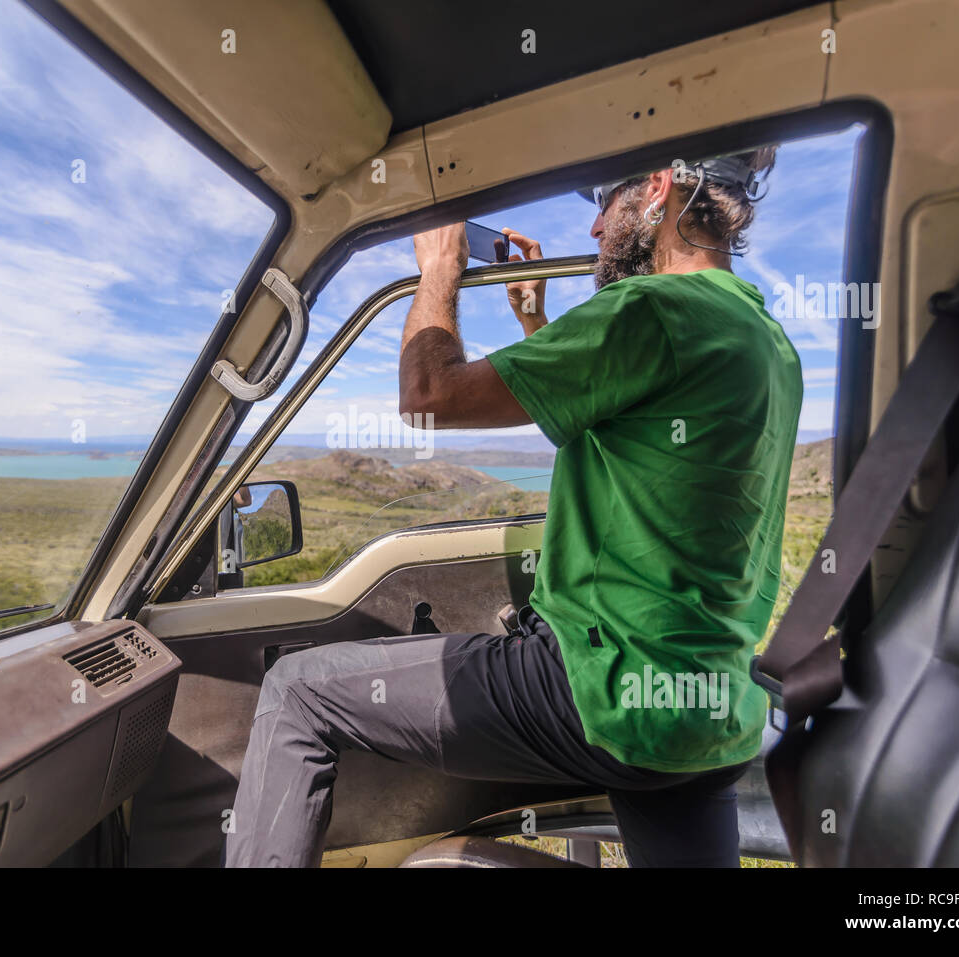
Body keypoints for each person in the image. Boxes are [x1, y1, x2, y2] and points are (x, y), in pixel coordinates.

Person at [223, 147, 801, 867]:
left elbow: (427, 396)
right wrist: (536, 321)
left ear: (658, 189)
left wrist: (440, 269)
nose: (594, 229)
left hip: (609, 692)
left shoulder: (650, 310)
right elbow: (622, 439)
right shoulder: (766, 339)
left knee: (296, 694)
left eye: (606, 203)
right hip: (708, 709)